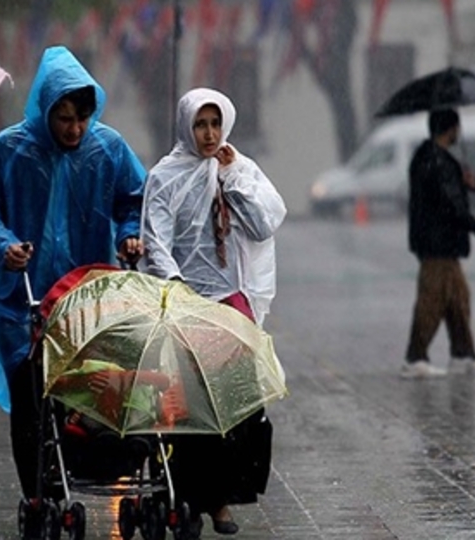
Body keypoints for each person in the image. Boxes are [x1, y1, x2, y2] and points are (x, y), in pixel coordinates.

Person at [0, 46, 145, 514]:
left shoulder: (108, 149)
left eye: (81, 118)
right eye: (63, 118)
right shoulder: (9, 151)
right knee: (30, 398)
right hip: (24, 303)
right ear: (45, 109)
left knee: (88, 392)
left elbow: (134, 201)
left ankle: (81, 468)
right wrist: (4, 246)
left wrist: (130, 236)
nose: (74, 129)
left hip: (88, 299)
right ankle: (40, 492)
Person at [141, 87, 286, 536]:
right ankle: (190, 497)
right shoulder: (166, 177)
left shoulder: (236, 168)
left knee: (238, 407)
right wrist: (176, 287)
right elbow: (156, 239)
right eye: (201, 124)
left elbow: (262, 224)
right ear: (188, 125)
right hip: (187, 304)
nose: (208, 134)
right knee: (191, 409)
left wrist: (233, 178)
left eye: (215, 124)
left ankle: (224, 499)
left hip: (232, 301)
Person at [401, 108, 475, 378]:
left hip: (440, 242)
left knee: (458, 299)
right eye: (456, 127)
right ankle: (415, 359)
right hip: (437, 243)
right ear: (449, 129)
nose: (458, 133)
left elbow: (450, 194)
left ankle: (463, 354)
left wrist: (469, 183)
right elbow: (452, 205)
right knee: (431, 301)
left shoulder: (430, 158)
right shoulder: (437, 162)